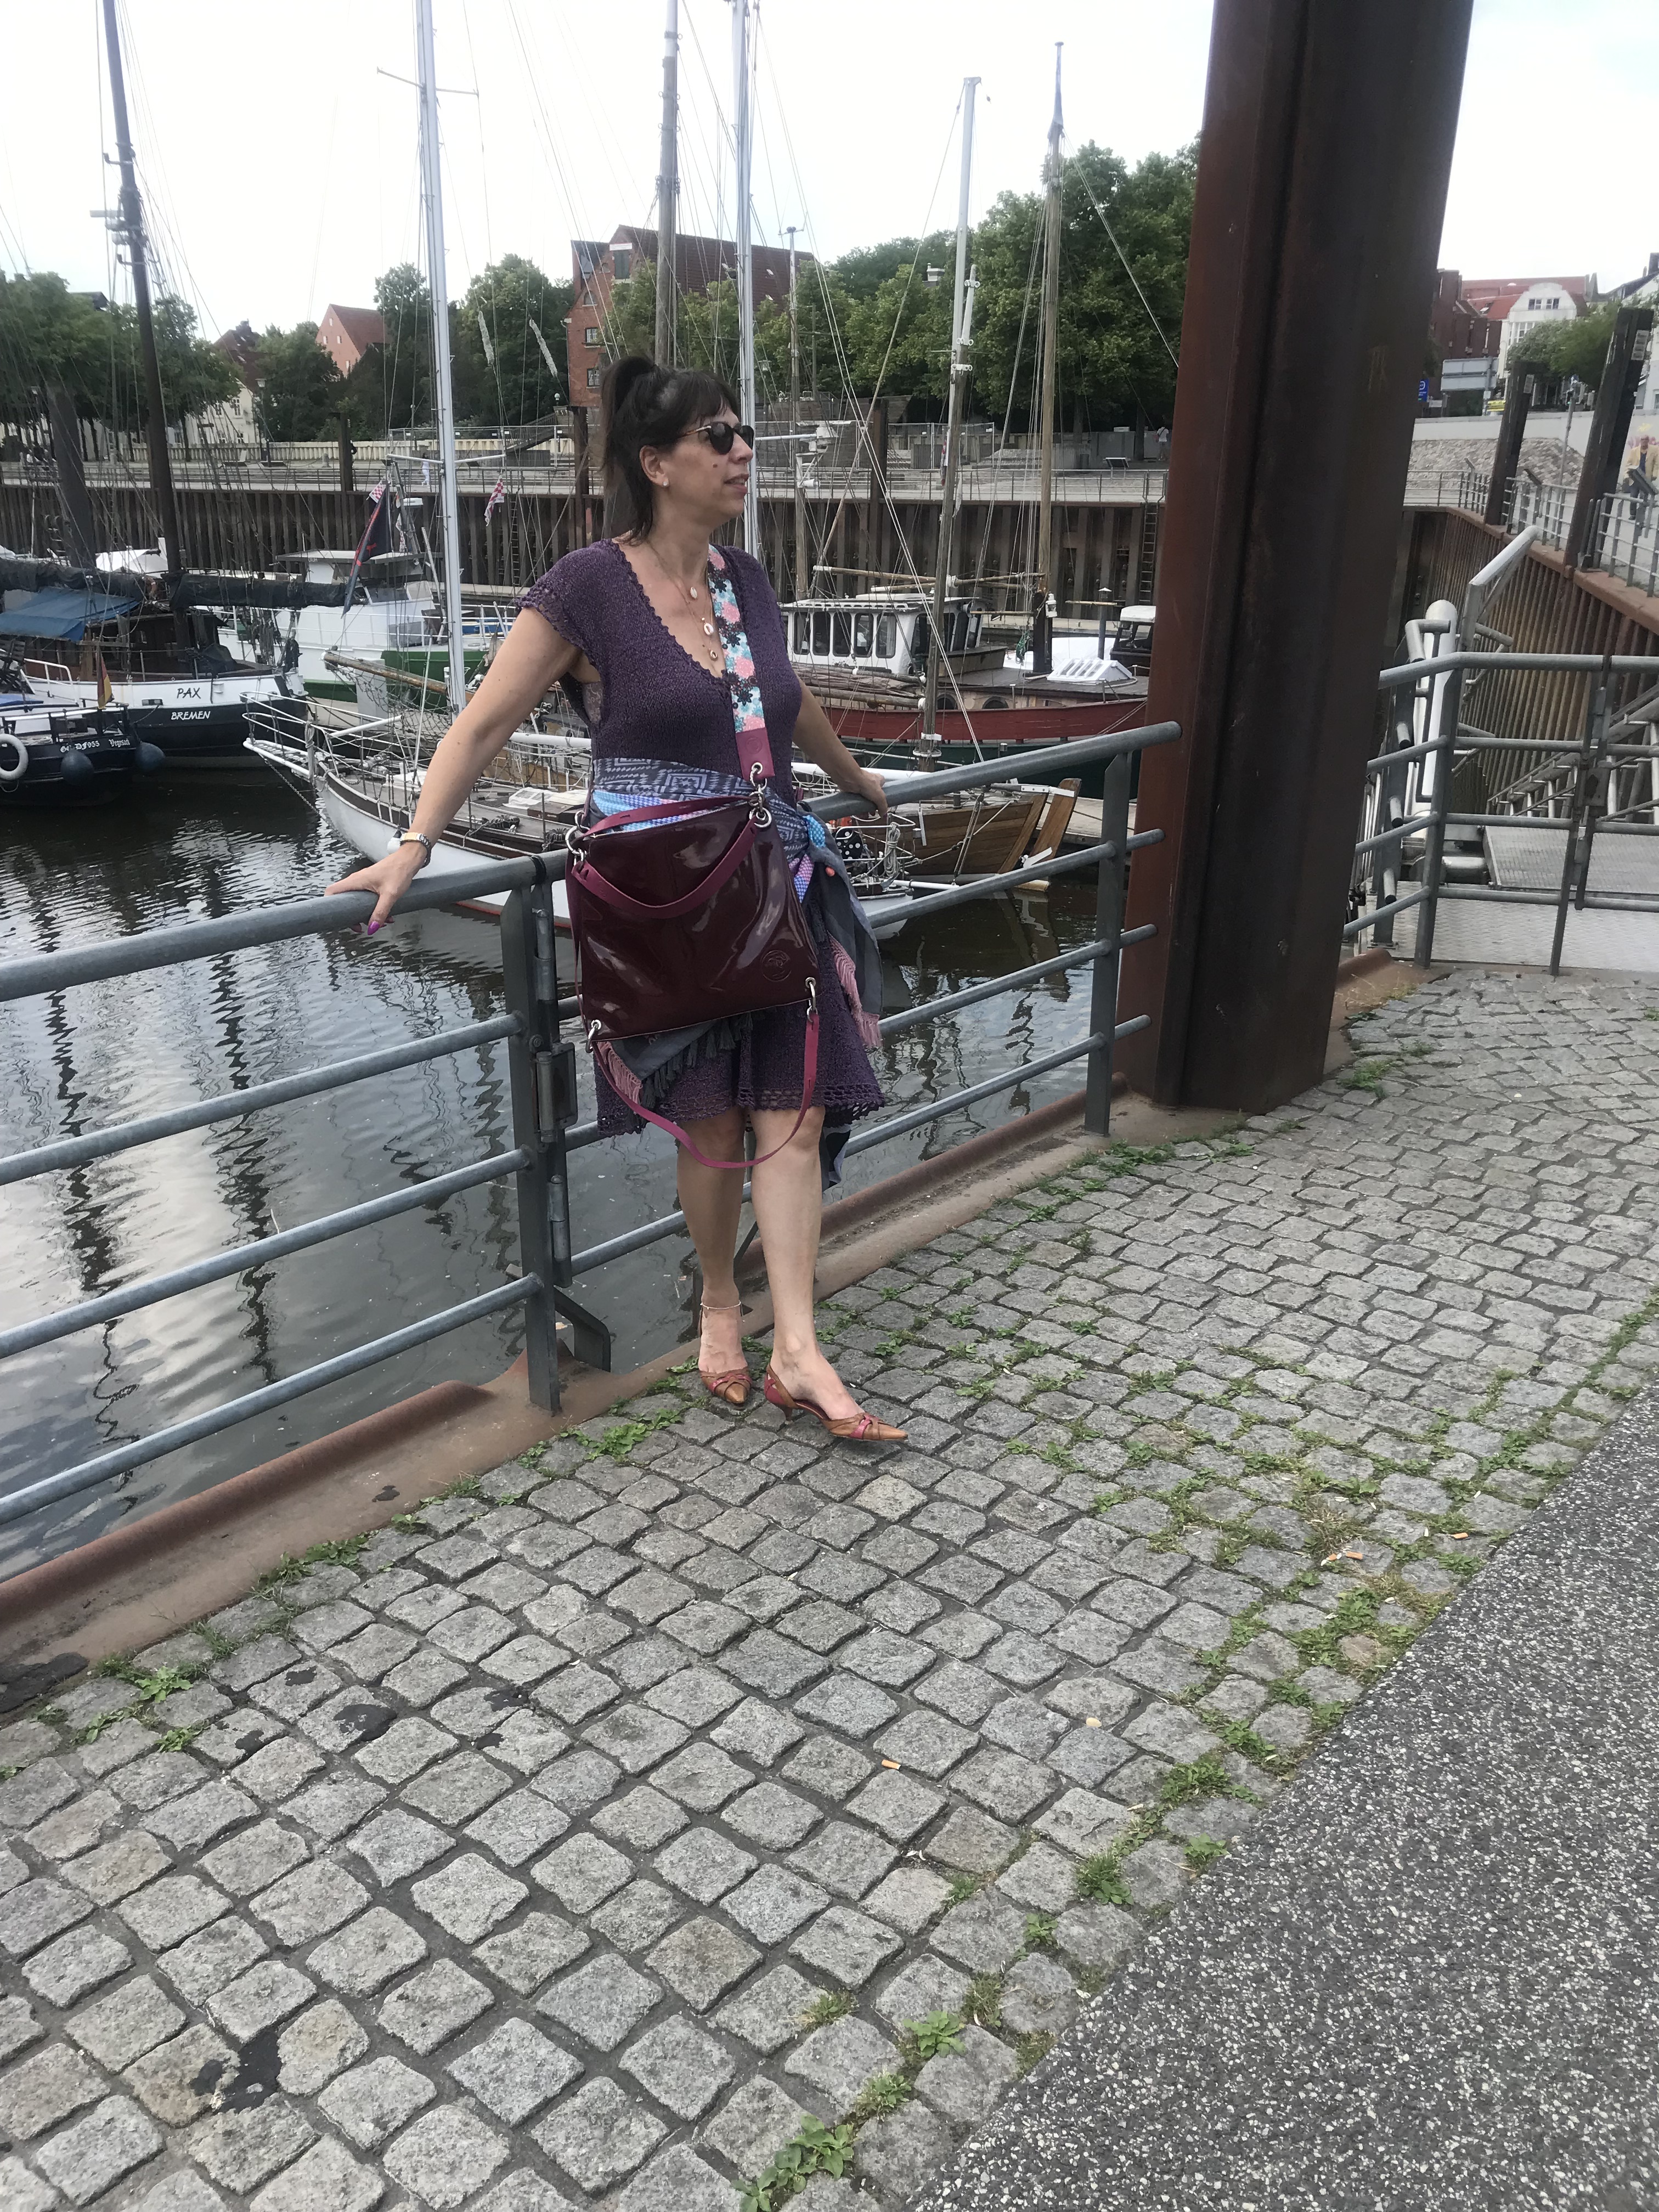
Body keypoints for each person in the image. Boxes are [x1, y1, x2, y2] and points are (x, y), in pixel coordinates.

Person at [328, 356, 904, 1443]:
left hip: (772, 881)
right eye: (719, 436)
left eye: (743, 433)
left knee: (793, 1107)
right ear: (657, 463)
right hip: (665, 902)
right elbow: (484, 723)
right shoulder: (588, 587)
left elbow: (787, 704)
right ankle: (720, 1302)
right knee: (711, 1115)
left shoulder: (745, 580)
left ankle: (797, 1346)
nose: (743, 451)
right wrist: (413, 845)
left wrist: (851, 776)